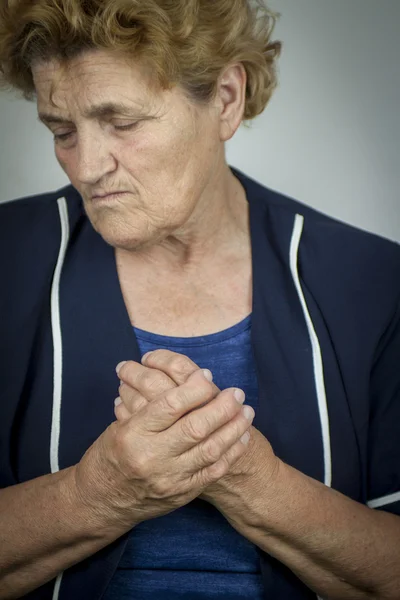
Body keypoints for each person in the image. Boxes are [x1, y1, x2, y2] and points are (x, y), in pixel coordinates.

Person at [0, 0, 399, 598]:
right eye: (62, 130)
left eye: (124, 122)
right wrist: (98, 493)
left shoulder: (372, 281)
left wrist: (247, 480)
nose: (86, 166)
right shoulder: (10, 259)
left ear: (225, 99)